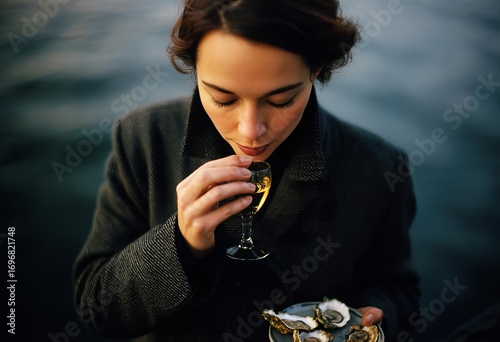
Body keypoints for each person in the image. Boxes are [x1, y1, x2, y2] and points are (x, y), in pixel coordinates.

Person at [73, 0, 420, 341]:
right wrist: (181, 245)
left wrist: (374, 323)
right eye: (223, 99)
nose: (250, 131)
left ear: (316, 68)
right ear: (194, 68)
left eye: (281, 100)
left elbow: (397, 290)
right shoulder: (143, 139)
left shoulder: (379, 168)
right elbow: (95, 308)